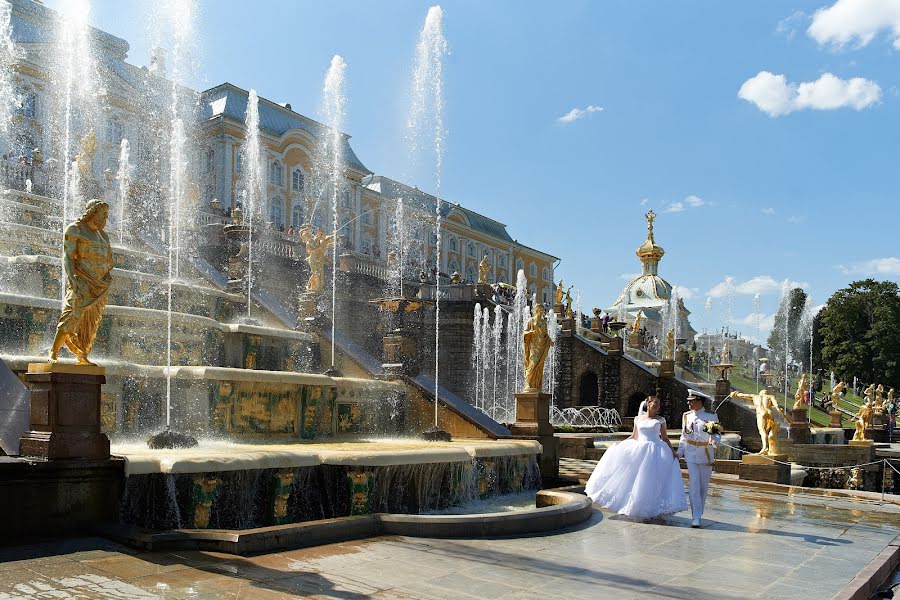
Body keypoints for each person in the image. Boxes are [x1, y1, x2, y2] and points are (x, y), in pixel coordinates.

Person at [585, 395, 687, 520]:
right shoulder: (638, 419)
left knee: (652, 480)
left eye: (658, 406)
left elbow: (665, 438)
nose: (657, 407)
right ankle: (633, 505)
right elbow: (634, 436)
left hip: (656, 450)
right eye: (655, 405)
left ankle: (652, 507)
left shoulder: (661, 420)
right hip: (639, 449)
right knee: (635, 479)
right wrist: (620, 445)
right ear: (648, 404)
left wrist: (673, 452)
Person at [48, 199, 113, 365]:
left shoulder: (103, 236)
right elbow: (67, 256)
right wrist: (72, 279)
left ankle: (82, 355)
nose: (106, 218)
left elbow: (108, 261)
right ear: (93, 212)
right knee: (71, 316)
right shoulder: (75, 229)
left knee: (91, 323)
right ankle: (54, 352)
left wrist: (105, 276)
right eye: (103, 214)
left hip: (100, 286)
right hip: (82, 281)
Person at [678, 390, 721, 528]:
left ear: (699, 401)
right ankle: (695, 516)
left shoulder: (711, 416)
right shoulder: (686, 416)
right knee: (694, 485)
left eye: (692, 400)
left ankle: (699, 512)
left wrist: (715, 441)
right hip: (690, 454)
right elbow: (684, 436)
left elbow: (717, 434)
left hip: (705, 454)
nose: (688, 403)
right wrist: (679, 452)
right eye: (688, 400)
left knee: (703, 486)